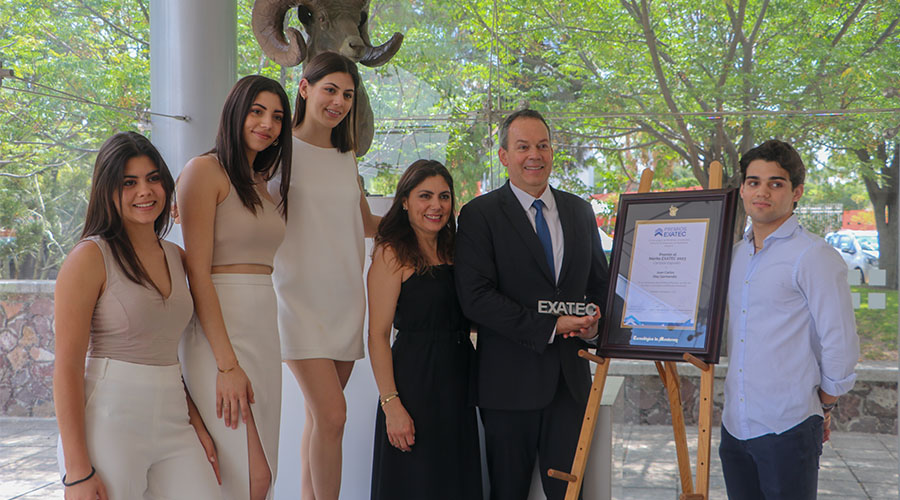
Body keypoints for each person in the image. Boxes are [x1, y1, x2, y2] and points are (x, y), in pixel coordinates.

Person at [53, 131, 221, 499]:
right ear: (107, 190)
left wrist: (196, 425)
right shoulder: (89, 258)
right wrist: (77, 471)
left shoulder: (177, 256)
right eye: (129, 183)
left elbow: (169, 355)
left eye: (153, 178)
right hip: (112, 419)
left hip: (174, 418)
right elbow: (66, 368)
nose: (145, 192)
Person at [455, 109, 609, 500]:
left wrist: (594, 325)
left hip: (570, 386)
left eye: (542, 145)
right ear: (504, 155)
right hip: (508, 387)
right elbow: (476, 298)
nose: (534, 155)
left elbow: (600, 287)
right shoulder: (479, 216)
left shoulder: (579, 210)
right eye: (523, 146)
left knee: (570, 495)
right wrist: (550, 326)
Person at [719, 140, 859, 500]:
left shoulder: (814, 256)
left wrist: (824, 405)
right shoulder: (732, 256)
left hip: (789, 425)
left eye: (775, 183)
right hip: (735, 426)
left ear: (796, 192)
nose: (762, 191)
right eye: (753, 182)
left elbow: (839, 341)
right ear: (742, 189)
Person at [269, 51, 380, 500]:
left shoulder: (346, 155)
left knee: (320, 420)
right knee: (334, 417)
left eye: (348, 94)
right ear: (304, 88)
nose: (338, 101)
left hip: (345, 301)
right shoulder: (277, 150)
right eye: (330, 89)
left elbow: (366, 224)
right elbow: (228, 180)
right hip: (297, 303)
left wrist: (427, 218)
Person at [178, 74, 292, 500]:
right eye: (257, 111)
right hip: (219, 332)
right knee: (247, 474)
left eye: (277, 117)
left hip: (263, 329)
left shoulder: (262, 183)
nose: (267, 124)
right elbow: (197, 272)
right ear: (235, 113)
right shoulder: (204, 172)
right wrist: (226, 364)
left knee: (263, 474)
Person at [367, 160, 483, 500]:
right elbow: (377, 335)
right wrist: (392, 405)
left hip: (459, 383)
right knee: (416, 483)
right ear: (405, 201)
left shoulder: (456, 250)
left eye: (444, 197)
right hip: (414, 385)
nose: (436, 206)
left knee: (454, 482)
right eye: (425, 196)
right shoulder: (391, 253)